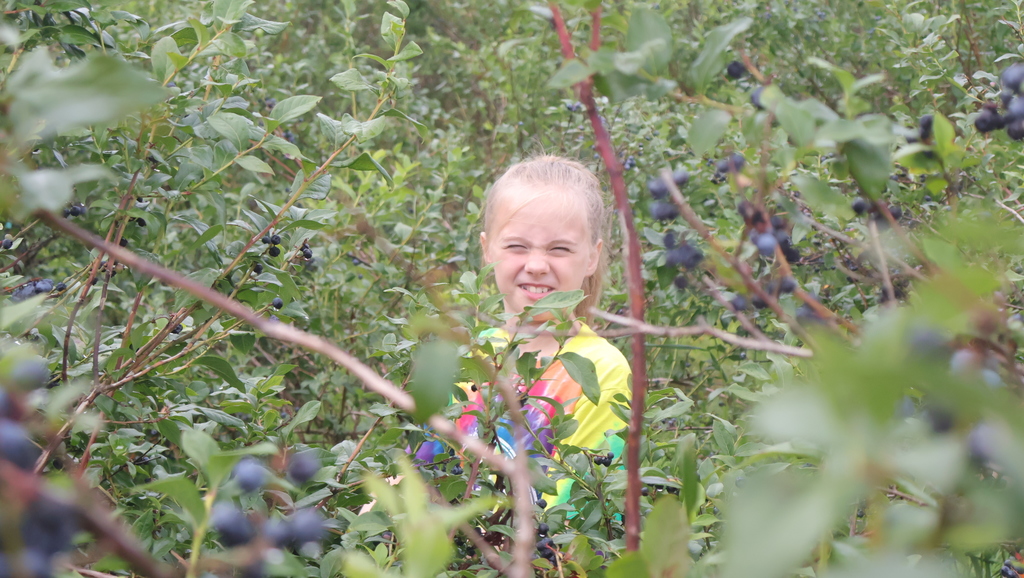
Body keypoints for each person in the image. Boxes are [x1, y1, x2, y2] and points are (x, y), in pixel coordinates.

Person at [414, 155, 632, 507]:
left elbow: (579, 511)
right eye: (517, 246)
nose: (536, 265)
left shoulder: (602, 371)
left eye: (559, 249)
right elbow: (423, 469)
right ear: (487, 250)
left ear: (591, 258)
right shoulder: (466, 353)